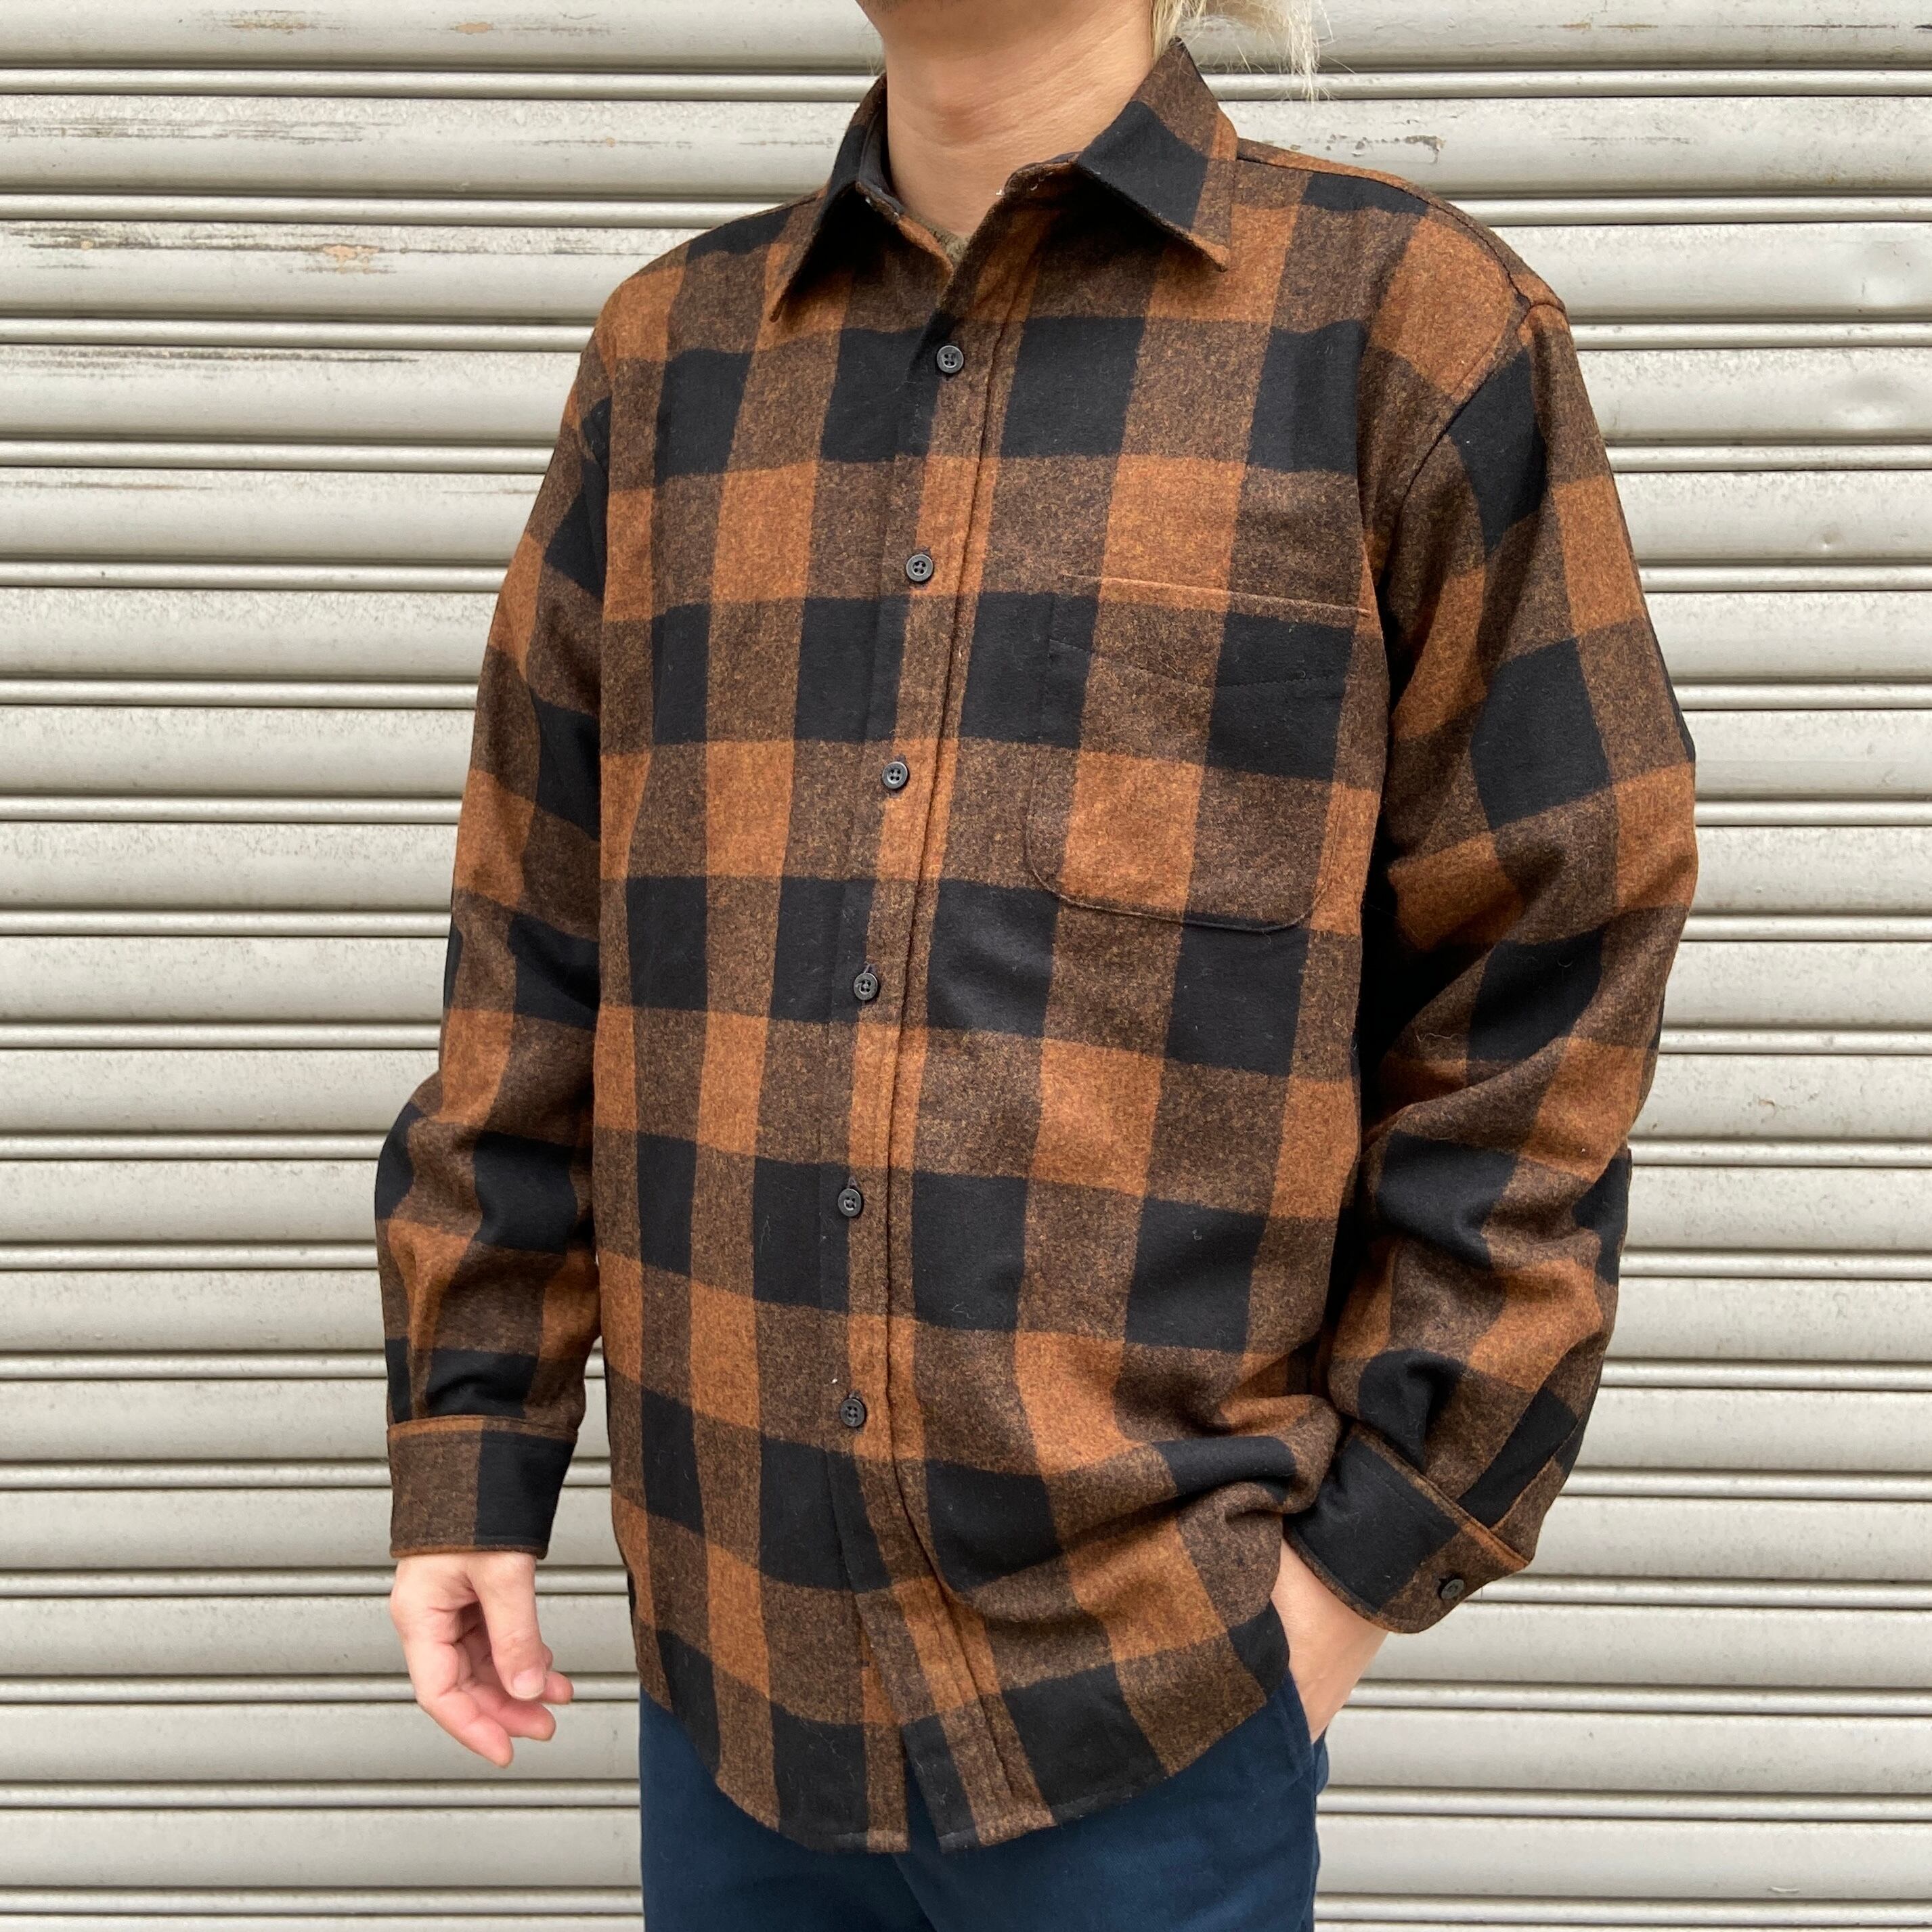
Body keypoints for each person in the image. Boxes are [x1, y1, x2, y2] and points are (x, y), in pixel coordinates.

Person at [374, 0, 1699, 1924]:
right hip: (734, 1681)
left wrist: (1360, 1562)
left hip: (1154, 1707)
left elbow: (1554, 956)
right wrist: (472, 1437)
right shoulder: (670, 364)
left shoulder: (1399, 329)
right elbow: (536, 936)